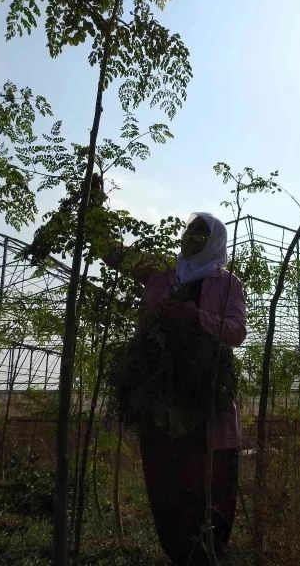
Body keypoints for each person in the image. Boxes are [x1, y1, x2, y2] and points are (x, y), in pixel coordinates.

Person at [103, 212, 246, 565]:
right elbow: (111, 252)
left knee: (209, 486)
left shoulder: (227, 284)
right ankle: (179, 553)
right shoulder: (160, 275)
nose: (191, 238)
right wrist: (94, 205)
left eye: (200, 234)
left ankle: (209, 552)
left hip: (206, 400)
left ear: (213, 242)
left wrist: (194, 316)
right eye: (189, 231)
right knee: (167, 482)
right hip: (161, 400)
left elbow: (236, 332)